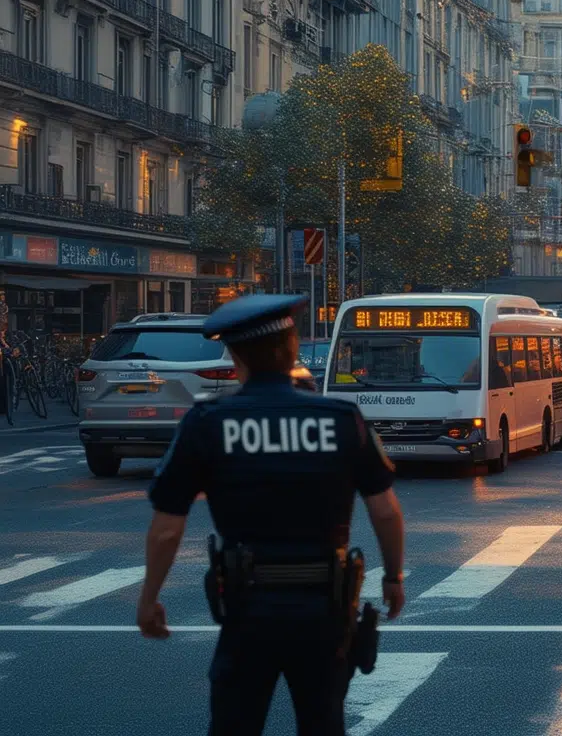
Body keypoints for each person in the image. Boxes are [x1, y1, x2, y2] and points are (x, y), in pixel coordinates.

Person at [136, 294, 407, 736]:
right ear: (294, 348)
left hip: (247, 607)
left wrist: (149, 598)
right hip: (325, 606)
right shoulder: (341, 417)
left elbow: (167, 529)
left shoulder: (208, 422)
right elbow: (385, 509)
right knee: (322, 723)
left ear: (236, 356)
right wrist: (393, 576)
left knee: (234, 724)